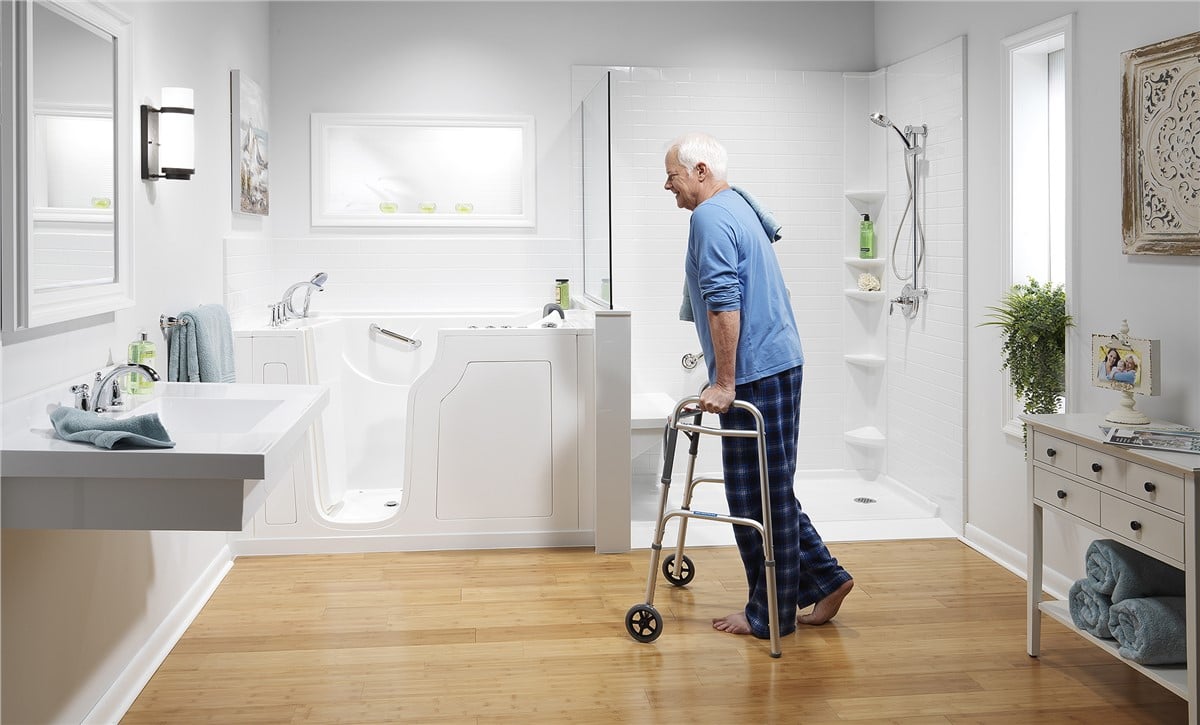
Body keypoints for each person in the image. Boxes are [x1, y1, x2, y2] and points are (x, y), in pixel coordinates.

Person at [663, 132, 853, 638]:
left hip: (756, 371)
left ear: (700, 171)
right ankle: (827, 579)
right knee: (767, 489)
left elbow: (724, 300)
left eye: (673, 175)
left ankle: (770, 613)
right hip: (777, 361)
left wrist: (724, 381)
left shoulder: (709, 215)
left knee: (756, 498)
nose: (668, 185)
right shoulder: (739, 204)